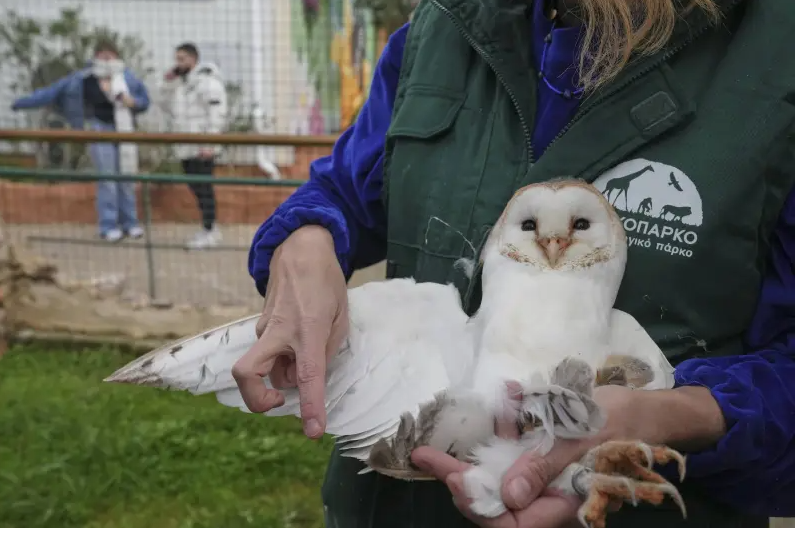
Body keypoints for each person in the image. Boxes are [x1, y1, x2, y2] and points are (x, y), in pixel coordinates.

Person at [237, 0, 794, 528]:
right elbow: (349, 187)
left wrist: (675, 417)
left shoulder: (778, 50)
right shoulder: (446, 23)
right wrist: (307, 236)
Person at [12, 41, 150, 242]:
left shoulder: (128, 78)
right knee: (107, 177)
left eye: (110, 55)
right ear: (94, 57)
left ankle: (130, 223)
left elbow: (144, 101)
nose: (106, 59)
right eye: (102, 55)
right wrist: (20, 103)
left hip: (124, 129)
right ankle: (108, 225)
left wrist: (133, 102)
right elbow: (50, 93)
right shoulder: (82, 78)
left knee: (126, 176)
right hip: (98, 129)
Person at [161, 42, 228, 250]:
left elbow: (217, 114)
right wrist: (168, 82)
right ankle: (209, 227)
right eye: (176, 59)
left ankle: (210, 229)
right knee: (195, 187)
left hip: (202, 146)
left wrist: (211, 142)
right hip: (185, 146)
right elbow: (164, 105)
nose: (178, 63)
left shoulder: (208, 82)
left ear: (193, 59)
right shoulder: (181, 84)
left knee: (204, 188)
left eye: (182, 59)